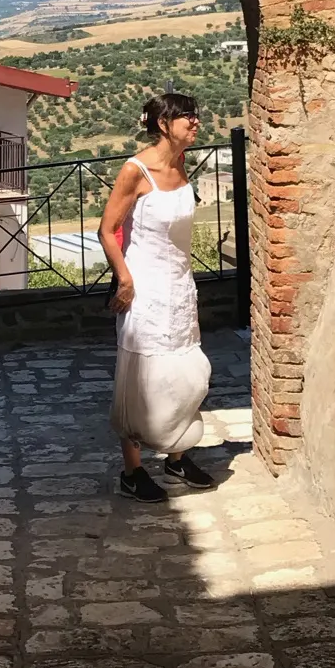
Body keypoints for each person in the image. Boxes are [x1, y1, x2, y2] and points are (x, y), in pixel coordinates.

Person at [98, 91, 218, 500]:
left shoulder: (181, 164)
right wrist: (125, 281)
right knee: (143, 377)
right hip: (146, 288)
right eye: (187, 116)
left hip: (180, 287)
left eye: (195, 115)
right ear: (164, 124)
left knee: (186, 374)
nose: (195, 122)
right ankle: (133, 471)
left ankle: (177, 456)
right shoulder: (135, 171)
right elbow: (107, 229)